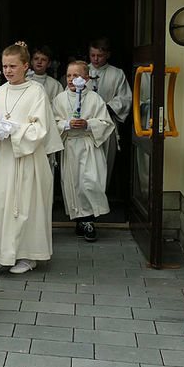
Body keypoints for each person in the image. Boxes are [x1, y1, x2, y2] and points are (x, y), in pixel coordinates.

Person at [0, 42, 63, 274]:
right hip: (2, 159)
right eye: (5, 66)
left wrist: (14, 130)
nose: (8, 71)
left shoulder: (36, 92)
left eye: (13, 66)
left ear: (26, 66)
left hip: (26, 160)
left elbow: (41, 128)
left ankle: (27, 255)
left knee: (24, 206)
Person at [52, 61, 115, 242]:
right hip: (70, 146)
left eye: (77, 76)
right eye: (69, 75)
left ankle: (89, 221)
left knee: (90, 183)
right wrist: (65, 124)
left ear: (86, 79)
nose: (72, 79)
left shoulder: (95, 99)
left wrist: (88, 124)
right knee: (75, 185)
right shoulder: (60, 99)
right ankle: (81, 220)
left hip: (89, 146)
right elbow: (52, 123)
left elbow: (106, 123)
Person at [87, 37, 132, 185]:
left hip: (107, 122)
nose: (96, 59)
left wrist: (107, 107)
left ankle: (101, 196)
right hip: (86, 124)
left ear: (108, 55)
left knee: (105, 161)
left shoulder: (117, 73)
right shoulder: (82, 71)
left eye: (99, 55)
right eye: (92, 55)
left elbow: (125, 98)